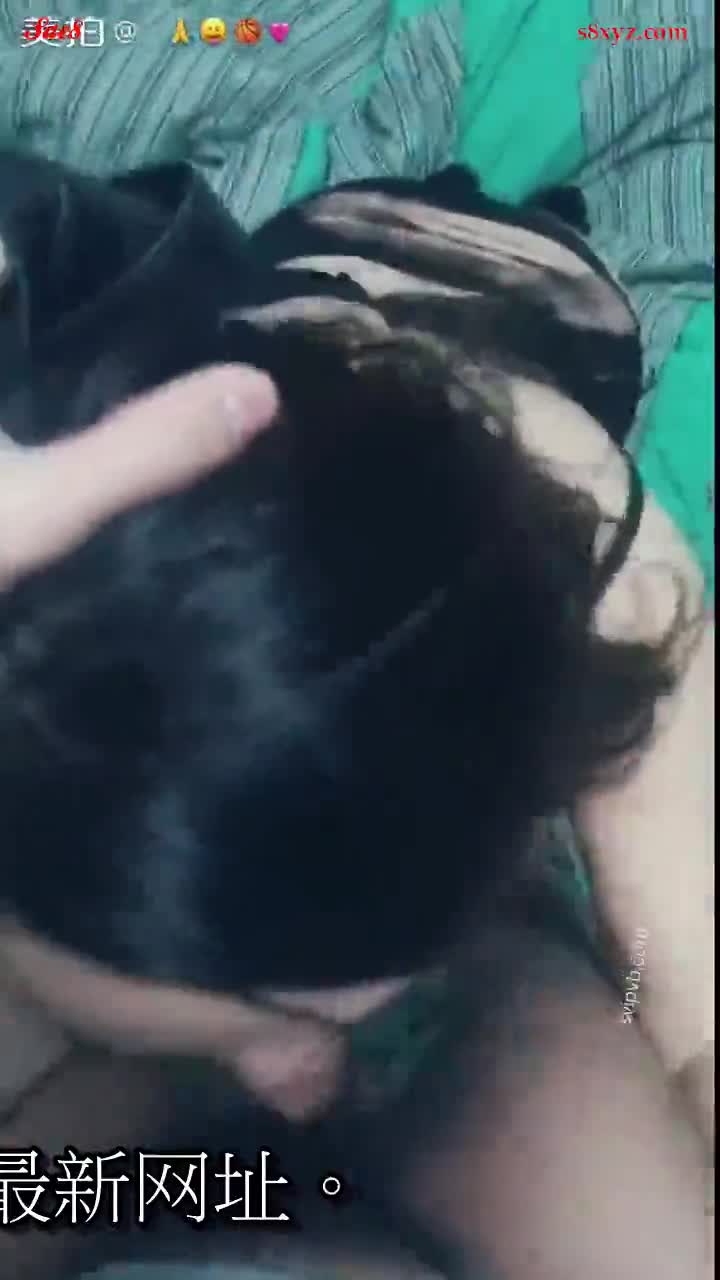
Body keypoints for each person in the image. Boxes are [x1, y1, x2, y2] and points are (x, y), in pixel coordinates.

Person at [0, 157, 712, 1279]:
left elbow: (673, 972)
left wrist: (649, 1028)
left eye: (307, 1024)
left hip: (482, 962)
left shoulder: (590, 591)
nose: (296, 1087)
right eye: (268, 1022)